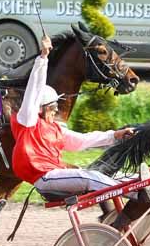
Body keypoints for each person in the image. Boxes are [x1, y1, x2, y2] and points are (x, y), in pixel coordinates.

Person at [10, 35, 137, 200]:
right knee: (89, 177)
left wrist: (114, 135)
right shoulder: (28, 122)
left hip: (57, 175)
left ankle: (139, 181)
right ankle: (136, 192)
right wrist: (43, 58)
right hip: (46, 178)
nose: (55, 112)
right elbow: (34, 91)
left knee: (102, 172)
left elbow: (82, 140)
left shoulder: (55, 129)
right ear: (40, 108)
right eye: (52, 108)